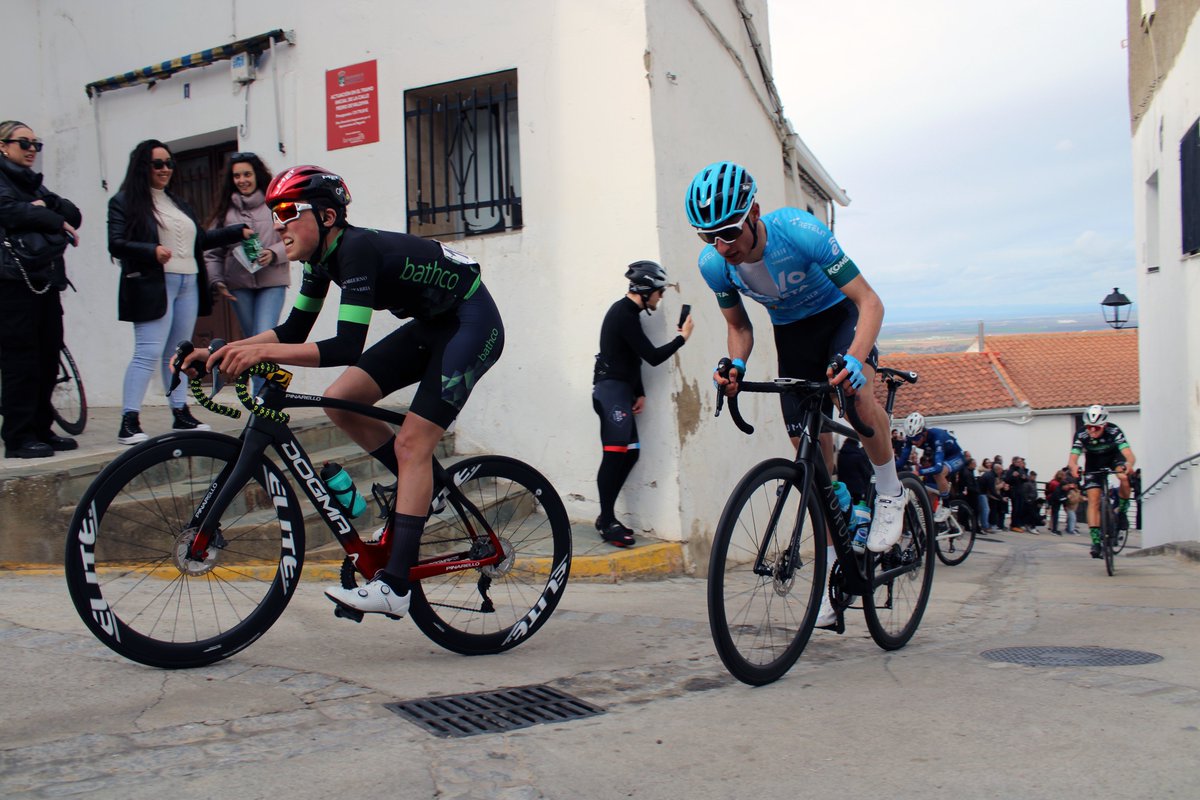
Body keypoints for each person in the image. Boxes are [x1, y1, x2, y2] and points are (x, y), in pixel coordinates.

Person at [184, 165, 504, 620]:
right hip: (434, 326)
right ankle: (423, 487)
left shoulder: (355, 250)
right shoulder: (319, 261)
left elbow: (344, 346)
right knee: (344, 400)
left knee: (413, 442)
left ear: (328, 216)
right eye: (274, 212)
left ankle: (395, 588)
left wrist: (260, 357)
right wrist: (225, 349)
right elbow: (294, 329)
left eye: (288, 211)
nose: (278, 224)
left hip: (474, 324)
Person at [685, 160, 904, 629]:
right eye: (709, 237)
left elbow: (870, 302)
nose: (722, 246)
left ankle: (889, 491)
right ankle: (830, 567)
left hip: (839, 318)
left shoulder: (799, 231)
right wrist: (737, 364)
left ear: (755, 212)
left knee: (856, 397)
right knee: (811, 466)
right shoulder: (714, 266)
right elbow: (739, 327)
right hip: (793, 338)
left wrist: (856, 358)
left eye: (728, 231)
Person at [107, 139, 251, 444]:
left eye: (169, 163)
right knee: (147, 351)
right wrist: (151, 251)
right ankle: (128, 420)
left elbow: (200, 241)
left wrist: (235, 233)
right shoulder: (124, 202)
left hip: (188, 281)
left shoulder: (177, 203)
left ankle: (181, 413)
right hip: (153, 284)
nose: (165, 169)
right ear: (142, 166)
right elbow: (116, 243)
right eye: (157, 164)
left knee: (177, 354)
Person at [591, 261, 694, 546]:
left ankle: (606, 516)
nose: (660, 297)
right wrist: (681, 339)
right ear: (646, 290)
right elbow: (652, 355)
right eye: (659, 292)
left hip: (621, 392)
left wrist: (639, 391)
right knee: (614, 454)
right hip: (610, 391)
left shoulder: (630, 314)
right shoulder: (623, 313)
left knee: (631, 453)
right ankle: (607, 519)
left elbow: (631, 356)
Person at [0, 120, 82, 459]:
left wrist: (42, 209)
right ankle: (18, 437)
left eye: (36, 144)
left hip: (44, 280)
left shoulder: (34, 185)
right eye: (24, 143)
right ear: (3, 146)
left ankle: (42, 428)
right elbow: (6, 210)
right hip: (11, 283)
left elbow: (73, 214)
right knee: (22, 361)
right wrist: (45, 215)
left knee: (48, 357)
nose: (32, 149)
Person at [204, 152, 291, 341]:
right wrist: (216, 280)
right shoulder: (224, 212)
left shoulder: (276, 206)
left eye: (247, 174)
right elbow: (212, 252)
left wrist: (273, 253)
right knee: (251, 341)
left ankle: (260, 372)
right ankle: (258, 372)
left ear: (257, 175)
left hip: (272, 282)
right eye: (237, 176)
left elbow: (294, 238)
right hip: (239, 284)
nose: (242, 180)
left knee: (262, 335)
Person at [1067, 404, 1137, 559]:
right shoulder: (1081, 434)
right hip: (1093, 463)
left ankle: (1123, 511)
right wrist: (1074, 467)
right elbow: (1072, 459)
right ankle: (1096, 541)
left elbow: (1129, 455)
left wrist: (1128, 465)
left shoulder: (1114, 431)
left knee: (1124, 477)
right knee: (1093, 500)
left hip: (1114, 458)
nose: (1092, 431)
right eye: (1089, 427)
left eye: (1096, 428)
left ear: (1104, 425)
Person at [894, 412, 965, 524]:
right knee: (927, 495)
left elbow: (937, 468)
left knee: (939, 473)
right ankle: (931, 526)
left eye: (917, 438)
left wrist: (919, 472)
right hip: (941, 458)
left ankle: (946, 506)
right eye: (911, 438)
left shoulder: (937, 437)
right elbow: (901, 461)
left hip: (955, 457)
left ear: (923, 432)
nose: (914, 442)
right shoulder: (911, 439)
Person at [836, 436, 873, 506]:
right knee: (856, 506)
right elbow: (864, 471)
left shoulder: (841, 455)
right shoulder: (858, 456)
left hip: (843, 486)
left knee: (845, 506)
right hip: (857, 488)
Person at [1045, 469, 1065, 535]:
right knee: (1055, 514)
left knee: (1053, 514)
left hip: (1052, 499)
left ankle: (1052, 528)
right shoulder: (1057, 484)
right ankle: (1054, 529)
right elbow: (1056, 493)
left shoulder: (1053, 482)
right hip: (1055, 500)